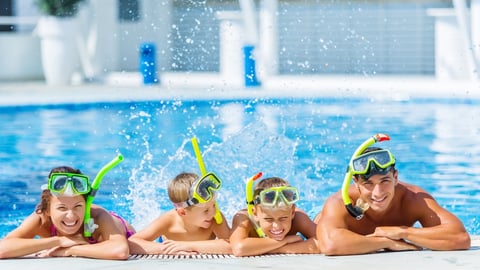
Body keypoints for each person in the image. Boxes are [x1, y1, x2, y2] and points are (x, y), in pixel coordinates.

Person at [316, 140, 471, 256]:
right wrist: (386, 242)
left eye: (385, 181)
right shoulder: (339, 202)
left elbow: (460, 237)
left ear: (395, 177)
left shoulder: (414, 199)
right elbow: (330, 245)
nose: (378, 193)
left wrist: (403, 232)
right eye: (368, 183)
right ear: (356, 183)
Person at [0, 166, 135, 260]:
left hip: (127, 235)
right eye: (62, 208)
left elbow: (120, 251)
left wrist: (69, 250)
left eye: (78, 206)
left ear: (86, 205)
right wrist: (59, 241)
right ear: (47, 210)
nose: (71, 215)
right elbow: (3, 248)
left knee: (133, 246)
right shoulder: (41, 219)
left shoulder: (98, 216)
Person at [128, 172, 231, 255]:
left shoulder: (215, 218)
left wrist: (188, 246)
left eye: (214, 205)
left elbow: (232, 245)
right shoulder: (169, 221)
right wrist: (165, 249)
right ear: (182, 212)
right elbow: (132, 243)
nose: (213, 212)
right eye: (206, 211)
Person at [229, 173, 319, 256]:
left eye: (283, 218)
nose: (277, 226)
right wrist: (285, 241)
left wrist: (264, 249)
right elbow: (239, 248)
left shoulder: (298, 217)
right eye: (269, 219)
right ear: (255, 213)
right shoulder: (244, 219)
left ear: (292, 212)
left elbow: (323, 242)